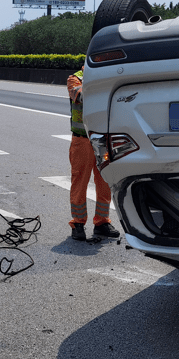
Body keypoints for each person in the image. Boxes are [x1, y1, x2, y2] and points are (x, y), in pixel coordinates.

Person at [67, 64, 120, 241]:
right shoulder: (75, 79)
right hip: (82, 140)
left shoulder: (108, 78)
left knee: (105, 180)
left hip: (103, 141)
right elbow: (81, 96)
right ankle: (78, 223)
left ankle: (102, 222)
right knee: (80, 180)